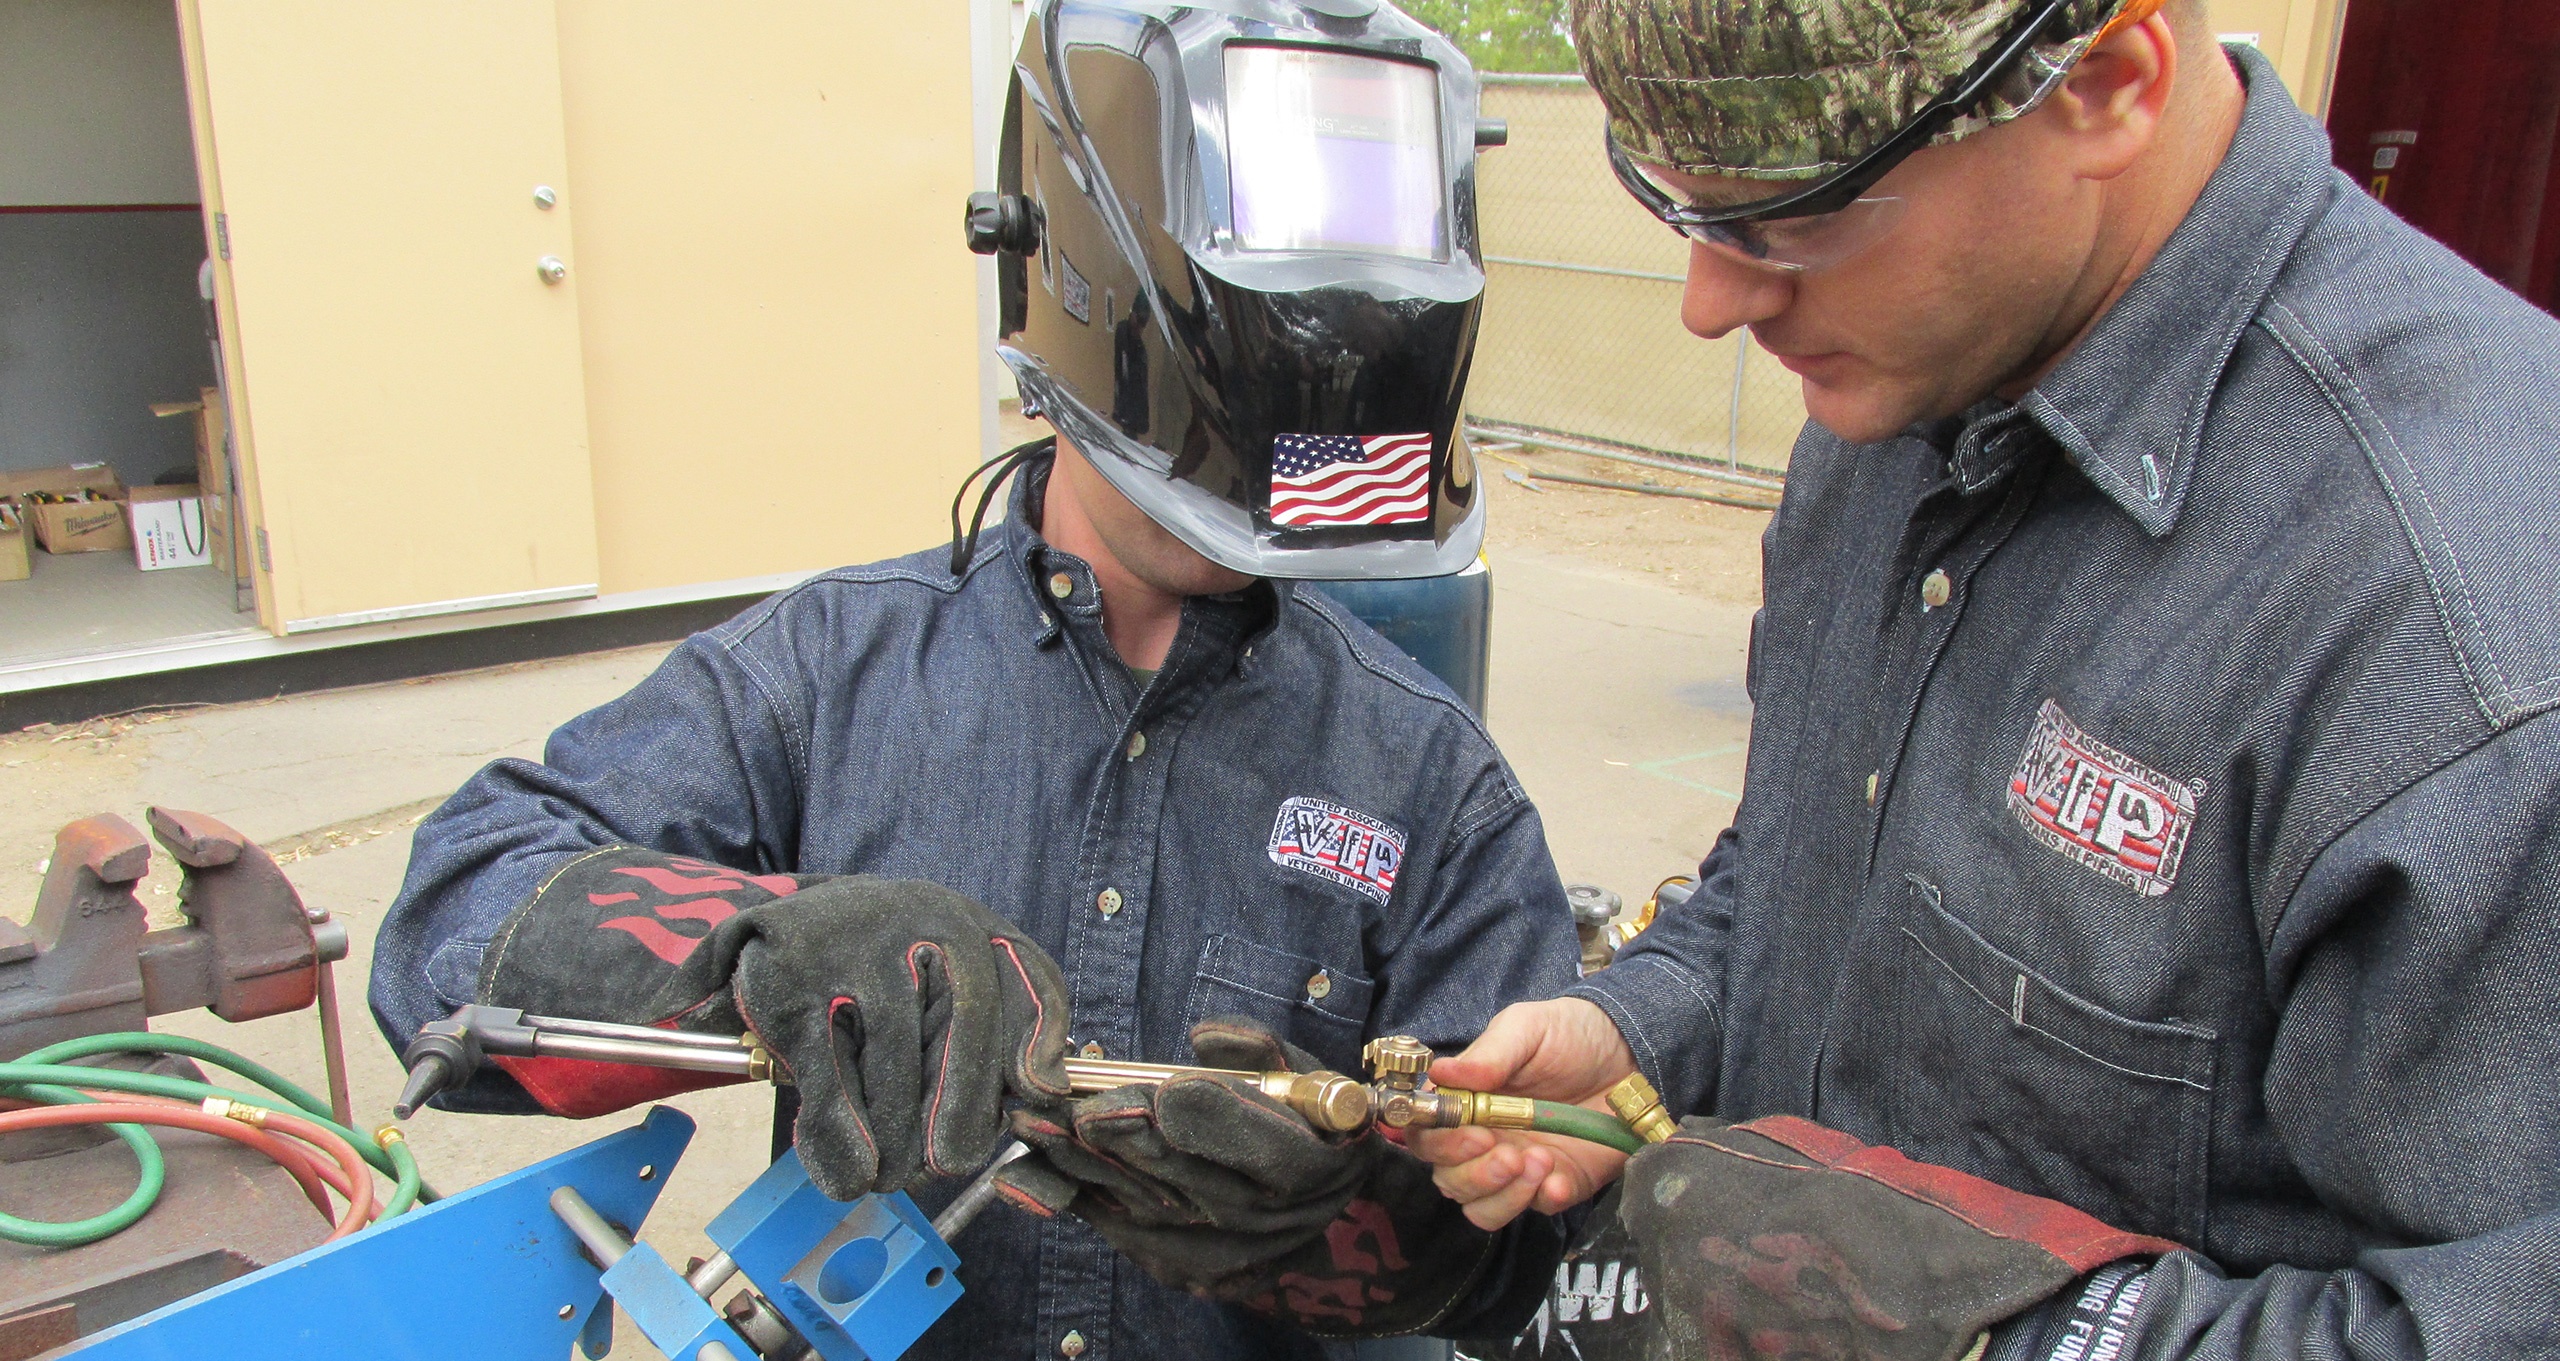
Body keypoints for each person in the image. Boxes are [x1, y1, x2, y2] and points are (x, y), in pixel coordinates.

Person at [1014, 0, 2560, 1357]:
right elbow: (1800, 871)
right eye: (1678, 203)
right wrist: (1639, 1029)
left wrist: (1997, 1332)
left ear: (2107, 84)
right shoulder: (1892, 409)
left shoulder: (2461, 629)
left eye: (1792, 219)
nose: (1710, 303)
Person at [368, 4, 1581, 1359]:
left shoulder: (1427, 780)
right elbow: (447, 927)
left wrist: (1333, 1214)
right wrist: (761, 946)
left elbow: (1509, 1268)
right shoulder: (833, 675)